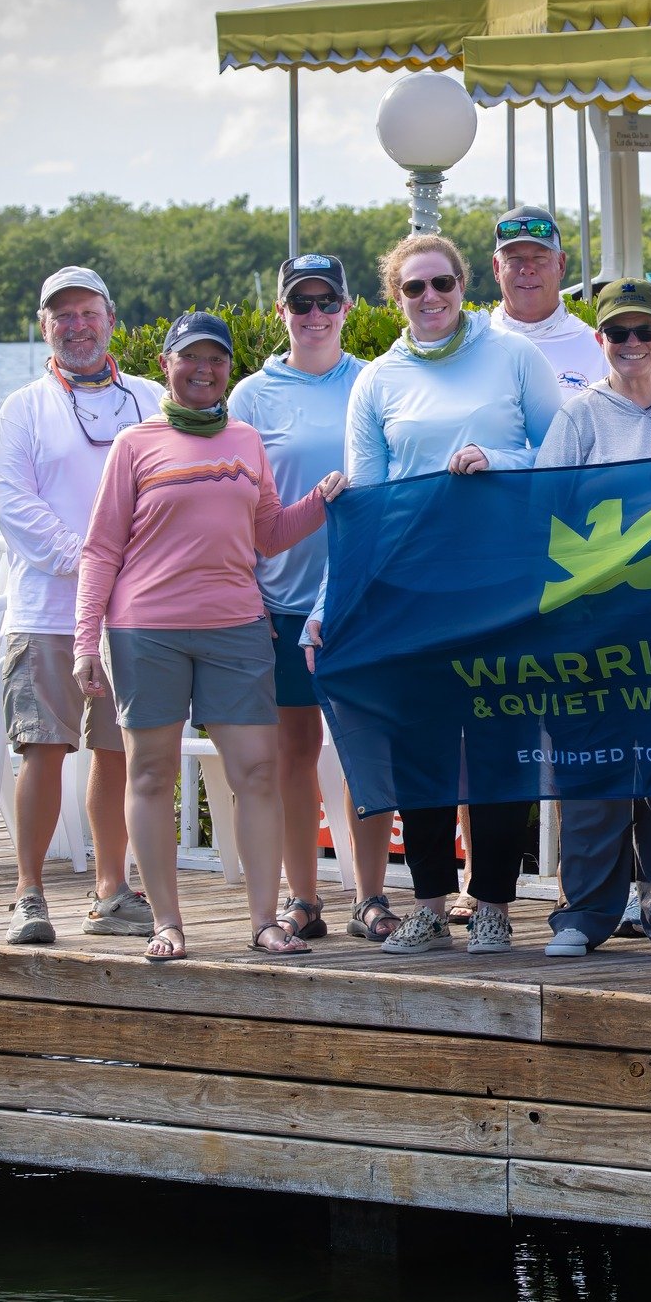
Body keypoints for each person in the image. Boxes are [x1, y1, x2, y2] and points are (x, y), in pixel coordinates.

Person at [74, 311, 345, 961]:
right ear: (166, 365)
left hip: (237, 626)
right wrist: (86, 643)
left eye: (216, 358)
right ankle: (167, 921)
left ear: (230, 367)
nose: (204, 368)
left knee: (256, 771)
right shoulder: (135, 445)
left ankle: (263, 921)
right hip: (147, 631)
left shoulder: (247, 440)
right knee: (151, 773)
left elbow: (270, 533)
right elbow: (100, 549)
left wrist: (324, 500)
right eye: (190, 357)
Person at [324, 233, 564, 955]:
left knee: (500, 746)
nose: (430, 298)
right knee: (420, 752)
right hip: (412, 592)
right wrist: (339, 594)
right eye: (414, 288)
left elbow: (560, 460)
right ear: (395, 297)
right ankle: (428, 905)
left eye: (442, 284)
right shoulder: (377, 380)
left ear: (464, 286)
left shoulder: (515, 355)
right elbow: (367, 493)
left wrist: (502, 459)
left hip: (502, 587)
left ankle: (492, 904)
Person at [534, 279, 651, 959]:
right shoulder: (578, 417)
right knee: (593, 767)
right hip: (593, 623)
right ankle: (585, 912)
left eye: (644, 332)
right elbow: (541, 511)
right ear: (601, 340)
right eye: (617, 334)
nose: (632, 345)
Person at [0, 266, 164, 947]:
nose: (76, 326)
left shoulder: (150, 398)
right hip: (45, 613)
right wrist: (94, 564)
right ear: (44, 328)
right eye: (61, 315)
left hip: (133, 615)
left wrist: (130, 573)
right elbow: (16, 510)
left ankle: (111, 891)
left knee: (120, 752)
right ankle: (28, 894)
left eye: (87, 312)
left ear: (111, 319)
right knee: (43, 748)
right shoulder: (22, 409)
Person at [227, 254, 398, 946]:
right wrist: (248, 592)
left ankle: (372, 896)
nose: (316, 315)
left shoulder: (375, 381)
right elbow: (231, 507)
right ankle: (303, 897)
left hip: (361, 600)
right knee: (291, 754)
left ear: (349, 308)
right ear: (282, 313)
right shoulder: (251, 396)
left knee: (361, 750)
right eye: (302, 303)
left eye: (329, 301)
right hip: (283, 601)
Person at [487, 204, 609, 400]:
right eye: (515, 259)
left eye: (539, 258)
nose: (527, 269)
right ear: (496, 268)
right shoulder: (472, 345)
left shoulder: (597, 348)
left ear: (561, 265)